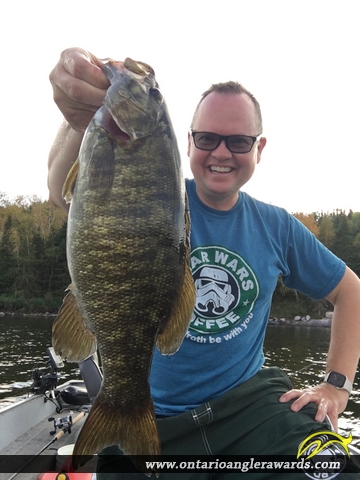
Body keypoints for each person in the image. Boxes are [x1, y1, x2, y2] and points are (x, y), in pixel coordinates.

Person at [48, 48, 360, 479]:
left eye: (239, 141)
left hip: (250, 408)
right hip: (155, 417)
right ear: (189, 140)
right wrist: (79, 120)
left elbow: (351, 291)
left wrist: (337, 385)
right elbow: (57, 189)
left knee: (336, 472)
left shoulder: (277, 226)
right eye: (208, 138)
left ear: (259, 148)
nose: (222, 153)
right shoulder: (156, 186)